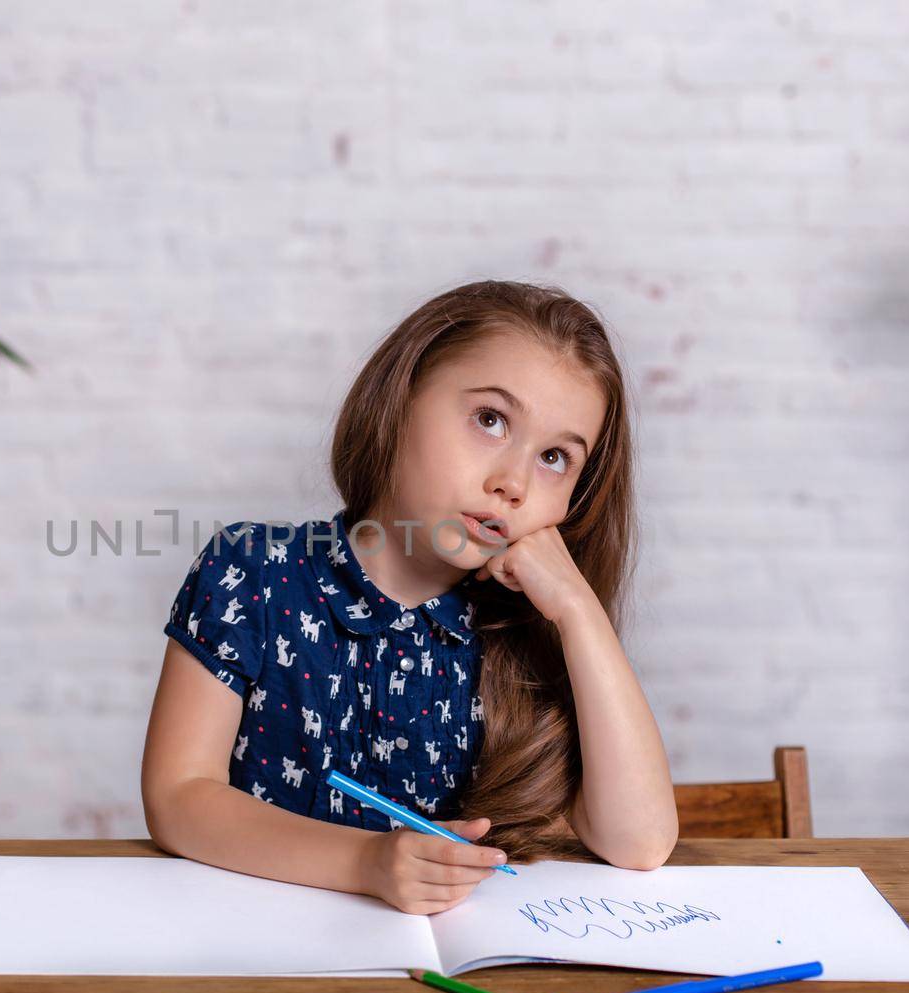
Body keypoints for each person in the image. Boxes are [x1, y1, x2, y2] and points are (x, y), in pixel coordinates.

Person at [141, 279, 677, 915]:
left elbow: (639, 843)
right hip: (260, 961)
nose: (513, 483)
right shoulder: (254, 574)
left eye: (555, 458)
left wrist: (579, 611)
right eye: (490, 420)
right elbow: (178, 796)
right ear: (399, 402)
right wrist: (365, 862)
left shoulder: (529, 626)